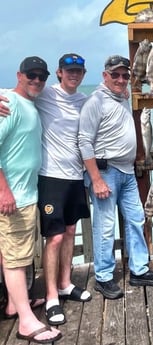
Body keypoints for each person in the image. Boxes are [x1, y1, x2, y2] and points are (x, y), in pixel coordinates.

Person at [0, 53, 92, 326]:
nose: (37, 80)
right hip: (49, 177)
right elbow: (14, 97)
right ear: (60, 73)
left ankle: (64, 284)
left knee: (70, 231)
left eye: (78, 71)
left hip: (75, 176)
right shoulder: (42, 96)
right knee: (53, 238)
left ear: (84, 74)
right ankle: (51, 296)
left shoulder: (83, 100)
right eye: (68, 70)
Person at [78, 55, 153, 300]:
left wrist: (124, 94)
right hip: (105, 172)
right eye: (115, 75)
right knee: (105, 226)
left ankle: (139, 270)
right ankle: (104, 277)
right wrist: (95, 179)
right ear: (104, 75)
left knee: (136, 220)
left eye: (125, 76)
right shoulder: (95, 101)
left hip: (127, 172)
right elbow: (84, 142)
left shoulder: (120, 97)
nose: (120, 79)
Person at [0, 56, 62, 343]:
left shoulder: (26, 103)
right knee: (15, 258)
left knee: (13, 253)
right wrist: (4, 190)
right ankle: (26, 321)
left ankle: (15, 303)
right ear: (19, 74)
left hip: (25, 193)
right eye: (31, 75)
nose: (37, 80)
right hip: (13, 195)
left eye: (42, 76)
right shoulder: (8, 105)